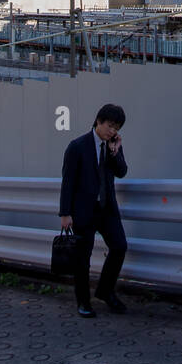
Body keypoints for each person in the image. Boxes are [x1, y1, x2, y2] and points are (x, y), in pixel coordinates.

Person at [59, 103, 128, 317]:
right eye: (110, 126)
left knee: (119, 246)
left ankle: (105, 291)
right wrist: (65, 213)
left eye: (117, 128)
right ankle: (83, 302)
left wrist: (115, 153)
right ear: (98, 121)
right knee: (83, 258)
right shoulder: (78, 146)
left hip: (107, 209)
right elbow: (67, 181)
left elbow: (122, 172)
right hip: (83, 210)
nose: (113, 131)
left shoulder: (113, 145)